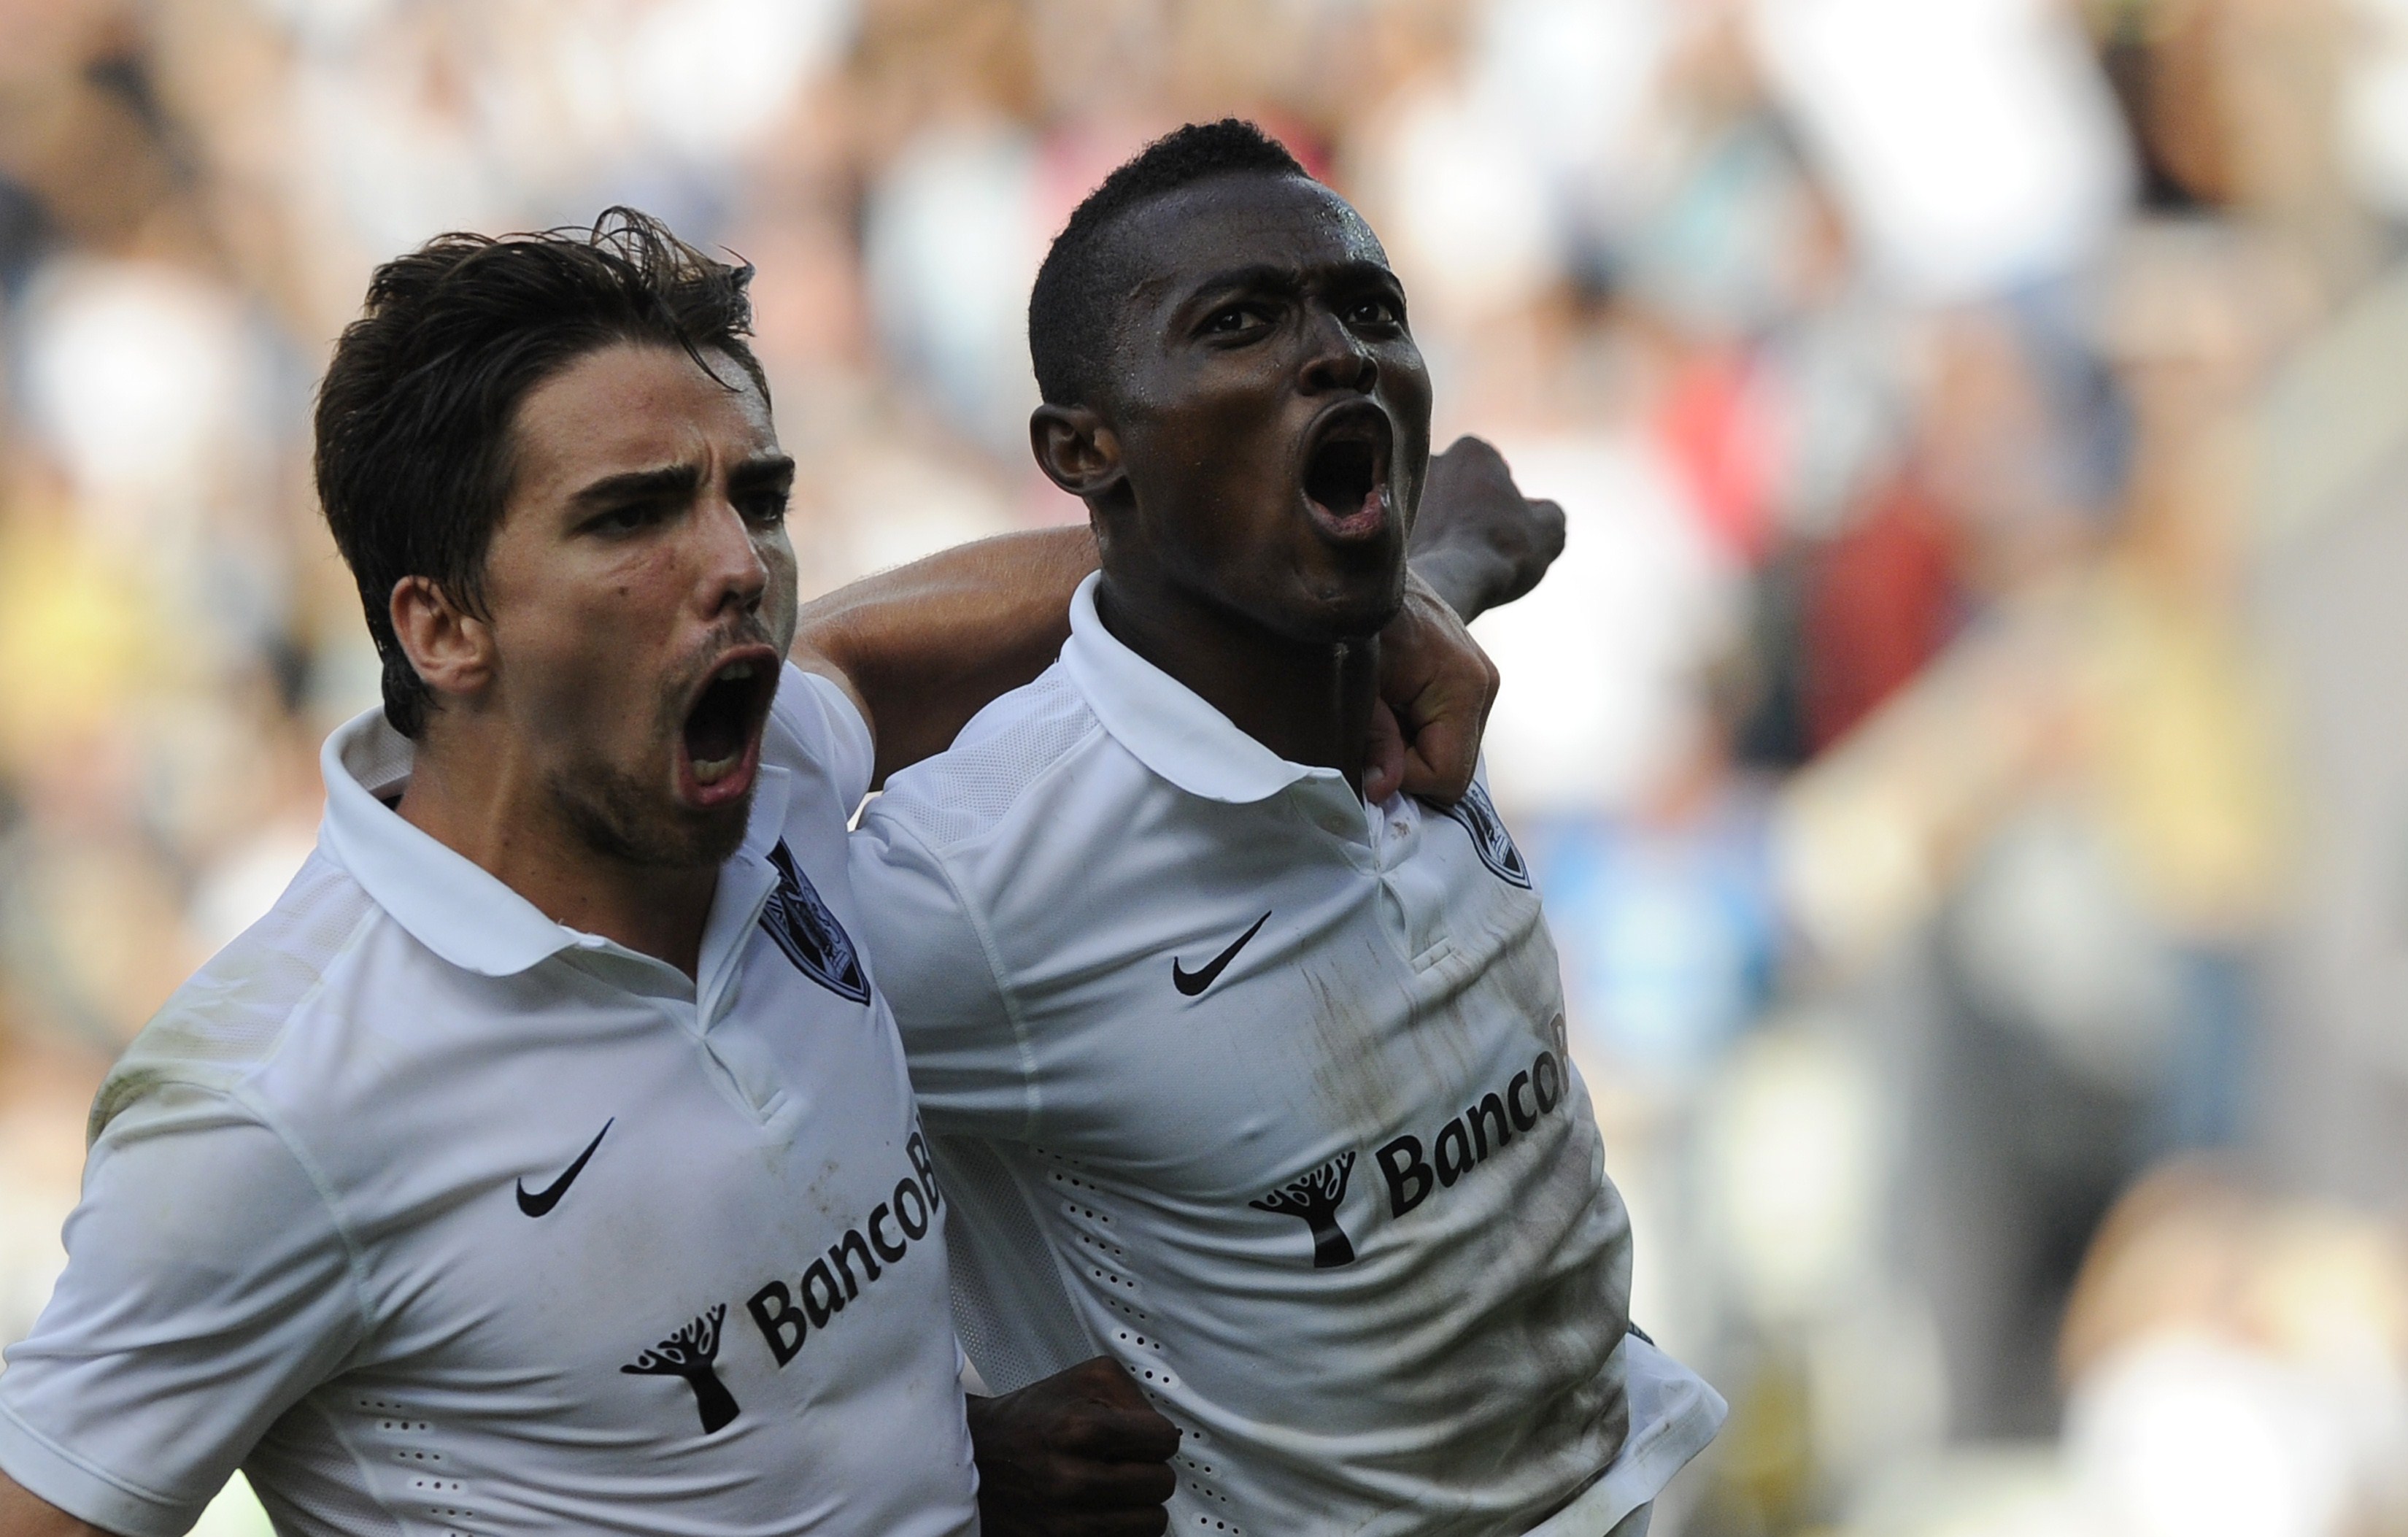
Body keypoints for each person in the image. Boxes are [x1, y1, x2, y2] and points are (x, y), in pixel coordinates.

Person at [0, 209, 1533, 1536]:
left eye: (758, 499)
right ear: (441, 627)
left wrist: (1349, 585)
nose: (739, 564)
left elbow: (890, 633)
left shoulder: (771, 775)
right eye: (633, 516)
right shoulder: (270, 1109)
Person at [851, 121, 1725, 1537]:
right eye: (1240, 324)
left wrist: (1454, 566)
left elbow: (1482, 499)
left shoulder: (1402, 660)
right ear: (1085, 451)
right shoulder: (971, 875)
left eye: (1369, 310)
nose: (1337, 352)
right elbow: (673, 1154)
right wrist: (937, 1446)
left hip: (1631, 1488)